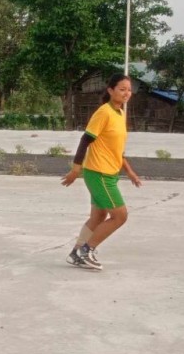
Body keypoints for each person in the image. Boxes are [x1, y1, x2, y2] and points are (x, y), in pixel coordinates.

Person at [61, 73, 142, 270]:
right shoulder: (103, 112)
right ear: (110, 90)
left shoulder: (121, 113)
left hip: (110, 173)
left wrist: (129, 171)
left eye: (129, 90)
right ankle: (87, 249)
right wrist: (75, 169)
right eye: (122, 89)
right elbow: (85, 140)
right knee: (120, 216)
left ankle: (76, 252)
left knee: (99, 216)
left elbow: (115, 148)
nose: (126, 93)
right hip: (98, 173)